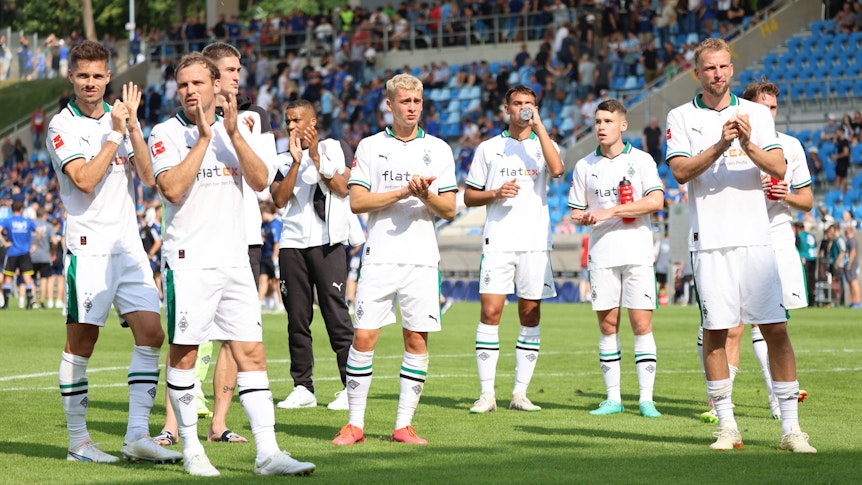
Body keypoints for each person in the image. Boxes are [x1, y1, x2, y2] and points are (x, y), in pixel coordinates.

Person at [148, 52, 314, 476]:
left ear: (215, 86)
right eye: (183, 85)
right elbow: (169, 187)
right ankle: (191, 450)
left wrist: (232, 133)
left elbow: (261, 183)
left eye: (198, 84)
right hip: (190, 260)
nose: (190, 91)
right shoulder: (166, 133)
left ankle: (268, 453)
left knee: (252, 353)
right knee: (184, 354)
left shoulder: (233, 128)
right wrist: (204, 138)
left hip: (235, 257)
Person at [666, 38, 815, 453]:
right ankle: (728, 427)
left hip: (756, 240)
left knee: (776, 330)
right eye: (709, 68)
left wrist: (747, 143)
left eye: (724, 67)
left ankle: (791, 429)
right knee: (716, 332)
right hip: (710, 242)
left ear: (732, 70)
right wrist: (719, 145)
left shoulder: (754, 113)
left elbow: (778, 166)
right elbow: (679, 171)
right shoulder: (681, 116)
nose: (718, 74)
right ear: (698, 73)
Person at [45, 40, 181, 464]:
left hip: (127, 247)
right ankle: (79, 443)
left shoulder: (120, 118)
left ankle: (137, 435)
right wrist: (114, 135)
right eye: (82, 76)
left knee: (152, 334)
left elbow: (147, 176)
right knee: (82, 340)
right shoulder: (60, 126)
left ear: (109, 77)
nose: (90, 83)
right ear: (72, 77)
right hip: (88, 248)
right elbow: (84, 178)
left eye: (98, 76)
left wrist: (134, 126)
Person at [331, 73, 457, 446]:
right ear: (389, 105)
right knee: (365, 336)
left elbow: (448, 209)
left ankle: (403, 426)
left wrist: (426, 196)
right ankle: (354, 424)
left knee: (416, 340)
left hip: (421, 260)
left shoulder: (439, 148)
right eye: (405, 102)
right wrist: (404, 190)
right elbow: (357, 201)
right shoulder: (370, 147)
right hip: (381, 256)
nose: (412, 108)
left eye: (417, 102)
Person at [698, 80, 815, 424]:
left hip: (776, 240)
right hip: (735, 239)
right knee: (729, 327)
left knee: (773, 326)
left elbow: (806, 201)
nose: (770, 114)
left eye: (774, 108)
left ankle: (779, 401)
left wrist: (783, 195)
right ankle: (722, 402)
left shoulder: (791, 147)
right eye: (763, 108)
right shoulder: (727, 142)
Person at [462, 84, 564, 415]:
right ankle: (486, 394)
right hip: (499, 240)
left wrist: (539, 127)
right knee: (490, 312)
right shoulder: (489, 148)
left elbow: (558, 170)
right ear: (507, 109)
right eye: (518, 103)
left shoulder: (544, 144)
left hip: (535, 242)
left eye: (530, 103)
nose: (523, 108)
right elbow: (469, 196)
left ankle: (520, 393)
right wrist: (494, 193)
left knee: (530, 314)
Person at [568, 99, 665, 418]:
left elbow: (656, 200)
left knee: (641, 323)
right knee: (608, 325)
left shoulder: (642, 160)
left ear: (623, 125)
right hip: (602, 254)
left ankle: (646, 399)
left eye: (608, 121)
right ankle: (613, 398)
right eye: (597, 121)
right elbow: (576, 210)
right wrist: (582, 218)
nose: (601, 126)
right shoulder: (584, 166)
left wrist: (610, 211)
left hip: (637, 252)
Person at [270, 99, 358, 411]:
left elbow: (342, 187)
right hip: (292, 244)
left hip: (328, 243)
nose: (291, 126)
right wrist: (296, 162)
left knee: (336, 315)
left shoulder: (337, 147)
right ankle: (302, 387)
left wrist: (315, 156)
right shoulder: (281, 158)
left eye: (296, 120)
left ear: (313, 122)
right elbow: (279, 200)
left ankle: (351, 387)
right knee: (297, 318)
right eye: (287, 121)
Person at [1, 200, 40, 309]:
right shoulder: (27, 221)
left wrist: (4, 243)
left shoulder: (8, 221)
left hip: (12, 252)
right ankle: (28, 304)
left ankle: (6, 305)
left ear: (11, 209)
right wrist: (35, 245)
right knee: (28, 278)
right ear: (22, 209)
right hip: (25, 253)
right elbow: (39, 232)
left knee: (8, 278)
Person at [31, 205, 57, 309]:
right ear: (45, 215)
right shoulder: (49, 226)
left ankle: (32, 300)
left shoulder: (32, 225)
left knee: (31, 279)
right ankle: (42, 301)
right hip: (45, 256)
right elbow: (55, 241)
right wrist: (53, 252)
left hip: (32, 255)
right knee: (44, 279)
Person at [794, 222, 818, 307]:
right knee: (812, 280)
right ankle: (812, 300)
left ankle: (805, 301)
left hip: (804, 259)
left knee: (804, 280)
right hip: (813, 258)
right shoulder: (811, 235)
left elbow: (797, 247)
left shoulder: (800, 236)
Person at [843, 225, 859, 308]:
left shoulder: (852, 240)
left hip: (851, 264)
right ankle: (853, 301)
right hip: (848, 264)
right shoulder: (848, 240)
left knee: (854, 282)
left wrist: (849, 263)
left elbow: (853, 252)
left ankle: (857, 301)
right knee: (850, 282)